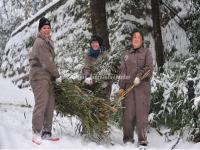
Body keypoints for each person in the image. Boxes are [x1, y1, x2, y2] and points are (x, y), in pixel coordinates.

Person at [118, 30, 153, 147]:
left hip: (142, 88)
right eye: (134, 37)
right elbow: (122, 72)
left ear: (142, 40)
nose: (136, 39)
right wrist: (121, 88)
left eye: (138, 37)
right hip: (128, 89)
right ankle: (128, 139)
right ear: (131, 40)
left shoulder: (147, 53)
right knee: (127, 115)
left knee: (142, 115)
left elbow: (149, 68)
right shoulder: (126, 55)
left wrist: (139, 77)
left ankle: (142, 140)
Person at [29, 17, 60, 145]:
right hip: (39, 76)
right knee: (41, 103)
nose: (47, 30)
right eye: (44, 28)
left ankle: (46, 131)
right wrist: (57, 75)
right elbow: (47, 62)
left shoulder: (48, 42)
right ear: (40, 29)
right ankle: (36, 132)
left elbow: (50, 62)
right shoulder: (40, 42)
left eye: (48, 28)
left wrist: (54, 75)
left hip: (48, 76)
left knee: (50, 103)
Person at [82, 35, 112, 99]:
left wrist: (106, 80)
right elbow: (86, 67)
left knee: (105, 101)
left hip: (105, 82)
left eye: (96, 42)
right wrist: (87, 77)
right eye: (92, 43)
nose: (94, 44)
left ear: (99, 43)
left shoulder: (105, 55)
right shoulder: (89, 55)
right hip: (93, 81)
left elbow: (110, 68)